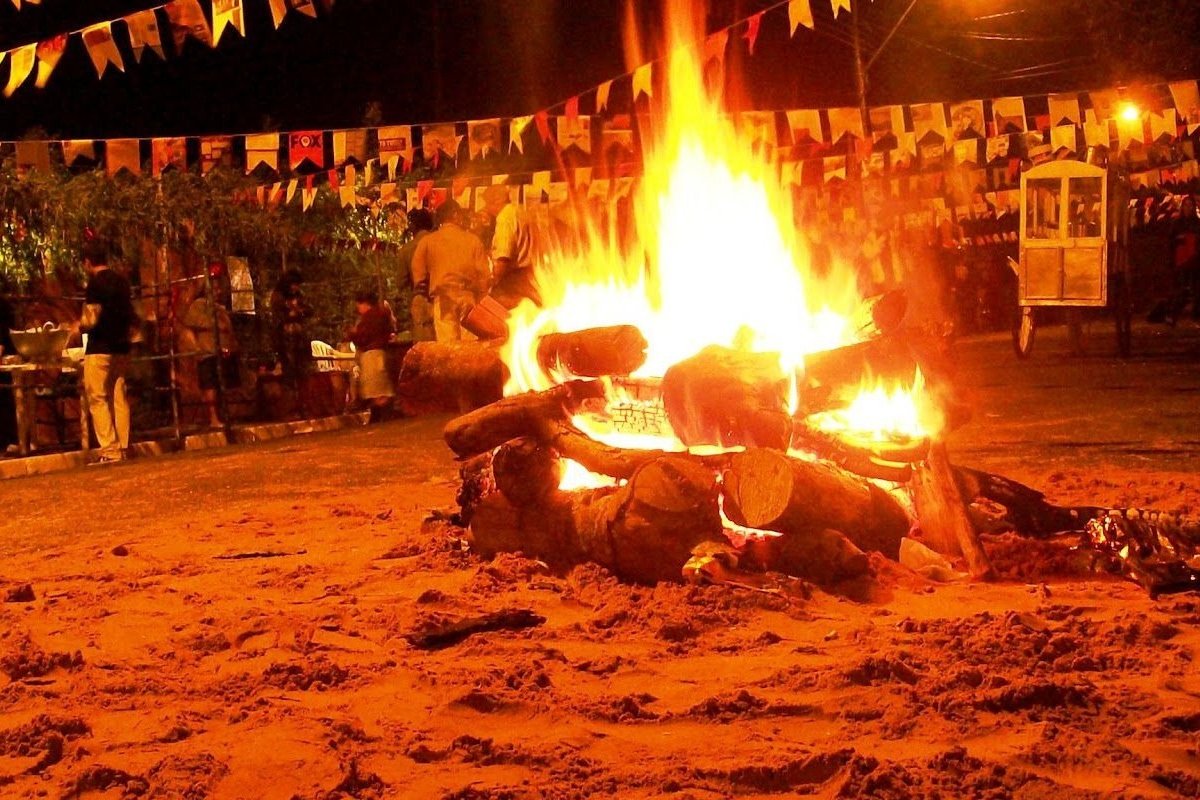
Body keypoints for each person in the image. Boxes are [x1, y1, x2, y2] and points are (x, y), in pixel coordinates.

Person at [80, 237, 134, 464]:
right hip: (121, 346)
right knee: (119, 395)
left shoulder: (95, 284)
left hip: (100, 346)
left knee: (97, 397)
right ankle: (123, 445)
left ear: (87, 262)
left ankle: (110, 450)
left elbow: (90, 318)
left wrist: (76, 327)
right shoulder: (122, 282)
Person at [410, 200, 490, 342]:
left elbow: (418, 274)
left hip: (443, 299)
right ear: (456, 215)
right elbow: (484, 275)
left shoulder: (428, 241)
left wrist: (425, 296)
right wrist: (481, 298)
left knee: (448, 346)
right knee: (470, 345)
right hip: (468, 298)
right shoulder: (473, 240)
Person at [183, 276, 240, 428]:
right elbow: (191, 325)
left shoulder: (220, 308)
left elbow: (228, 330)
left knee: (224, 385)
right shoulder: (199, 305)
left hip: (223, 352)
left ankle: (225, 415)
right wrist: (197, 348)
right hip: (208, 352)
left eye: (218, 288)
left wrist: (233, 346)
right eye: (214, 288)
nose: (218, 291)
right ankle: (213, 418)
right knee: (210, 386)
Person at [481, 184, 541, 308]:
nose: (487, 208)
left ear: (497, 201)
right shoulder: (521, 212)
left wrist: (493, 284)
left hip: (513, 280)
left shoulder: (505, 218)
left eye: (488, 203)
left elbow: (503, 257)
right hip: (531, 276)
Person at [347, 290, 395, 423]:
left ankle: (383, 415)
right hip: (380, 352)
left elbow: (363, 338)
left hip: (371, 354)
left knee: (377, 389)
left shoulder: (369, 318)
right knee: (379, 387)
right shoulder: (382, 314)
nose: (358, 309)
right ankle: (378, 415)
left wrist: (352, 333)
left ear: (364, 304)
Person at [270, 269, 313, 417]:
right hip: (285, 339)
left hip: (299, 338)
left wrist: (299, 312)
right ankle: (291, 408)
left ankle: (304, 405)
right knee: (289, 374)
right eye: (294, 284)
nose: (296, 287)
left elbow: (309, 310)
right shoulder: (278, 296)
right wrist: (290, 314)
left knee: (303, 373)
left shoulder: (299, 295)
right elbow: (277, 317)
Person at [398, 209, 435, 341]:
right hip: (443, 298)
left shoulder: (406, 249)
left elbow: (400, 282)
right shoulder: (443, 242)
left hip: (421, 299)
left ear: (413, 226)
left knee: (423, 347)